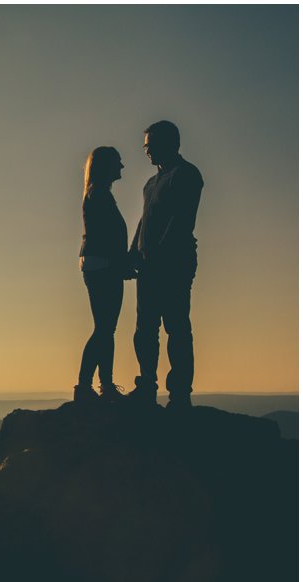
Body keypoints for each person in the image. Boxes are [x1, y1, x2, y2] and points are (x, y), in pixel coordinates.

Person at [128, 120, 204, 409]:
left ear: (169, 143)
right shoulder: (151, 183)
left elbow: (182, 220)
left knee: (176, 326)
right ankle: (147, 385)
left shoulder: (186, 174)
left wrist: (157, 255)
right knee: (145, 328)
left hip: (174, 263)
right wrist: (133, 252)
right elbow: (145, 218)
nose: (146, 151)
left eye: (150, 145)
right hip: (148, 265)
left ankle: (179, 394)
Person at [75, 146, 133, 403]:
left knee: (105, 328)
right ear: (106, 166)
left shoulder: (97, 193)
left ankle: (101, 386)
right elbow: (108, 236)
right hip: (103, 265)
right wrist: (121, 263)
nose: (122, 167)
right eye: (118, 162)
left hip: (99, 263)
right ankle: (90, 386)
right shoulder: (99, 195)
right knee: (104, 328)